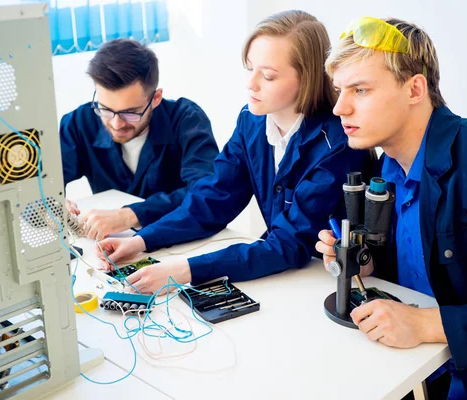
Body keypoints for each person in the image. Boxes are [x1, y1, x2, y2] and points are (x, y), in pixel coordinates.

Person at [316, 16, 467, 399]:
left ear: (415, 88)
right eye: (339, 91)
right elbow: (430, 269)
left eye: (361, 90)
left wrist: (427, 325)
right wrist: (368, 263)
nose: (339, 108)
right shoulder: (384, 169)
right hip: (407, 373)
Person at [96, 10, 373, 293]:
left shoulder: (338, 143)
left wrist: (184, 270)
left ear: (307, 78)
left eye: (267, 76)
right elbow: (214, 199)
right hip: (284, 274)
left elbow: (290, 244)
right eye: (249, 68)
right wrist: (140, 241)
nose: (250, 84)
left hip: (338, 282)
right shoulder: (251, 121)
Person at [60, 39, 219, 240]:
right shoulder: (78, 123)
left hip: (180, 242)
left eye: (130, 113)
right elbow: (39, 186)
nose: (117, 124)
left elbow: (206, 193)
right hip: (109, 248)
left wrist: (131, 215)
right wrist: (52, 203)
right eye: (106, 110)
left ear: (156, 98)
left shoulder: (186, 119)